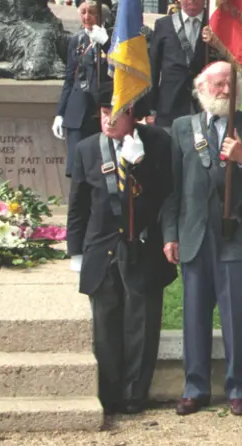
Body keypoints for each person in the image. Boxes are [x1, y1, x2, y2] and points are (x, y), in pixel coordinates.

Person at [162, 61, 242, 417]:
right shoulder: (182, 128)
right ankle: (195, 388)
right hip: (195, 236)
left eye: (230, 84)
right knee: (194, 318)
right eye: (217, 85)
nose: (224, 91)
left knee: (238, 316)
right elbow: (172, 189)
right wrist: (170, 234)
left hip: (237, 235)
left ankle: (240, 387)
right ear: (201, 90)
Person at [67, 84, 176, 415]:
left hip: (142, 245)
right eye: (102, 114)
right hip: (102, 248)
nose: (107, 121)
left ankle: (134, 395)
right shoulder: (87, 149)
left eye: (114, 114)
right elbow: (78, 206)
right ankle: (110, 394)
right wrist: (76, 253)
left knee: (141, 325)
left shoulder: (157, 143)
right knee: (107, 324)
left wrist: (137, 165)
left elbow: (167, 195)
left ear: (132, 115)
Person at [54, 0, 112, 177]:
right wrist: (60, 113)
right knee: (77, 173)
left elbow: (124, 68)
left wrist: (106, 43)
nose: (87, 17)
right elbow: (70, 79)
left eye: (92, 12)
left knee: (101, 173)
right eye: (83, 12)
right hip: (78, 114)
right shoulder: (76, 40)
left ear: (102, 14)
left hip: (105, 115)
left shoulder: (115, 40)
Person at [147, 0, 209, 128]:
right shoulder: (164, 25)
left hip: (207, 101)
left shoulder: (215, 23)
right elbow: (153, 67)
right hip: (170, 103)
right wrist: (149, 108)